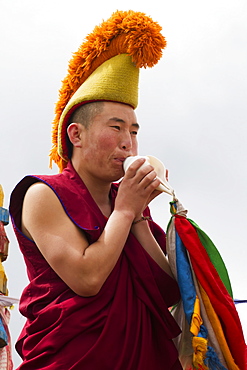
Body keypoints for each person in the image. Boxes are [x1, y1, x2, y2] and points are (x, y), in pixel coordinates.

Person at [10, 11, 183, 369]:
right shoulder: (43, 194)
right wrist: (124, 211)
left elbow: (167, 292)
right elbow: (87, 278)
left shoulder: (128, 204)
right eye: (116, 127)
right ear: (76, 135)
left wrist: (136, 217)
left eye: (133, 132)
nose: (128, 143)